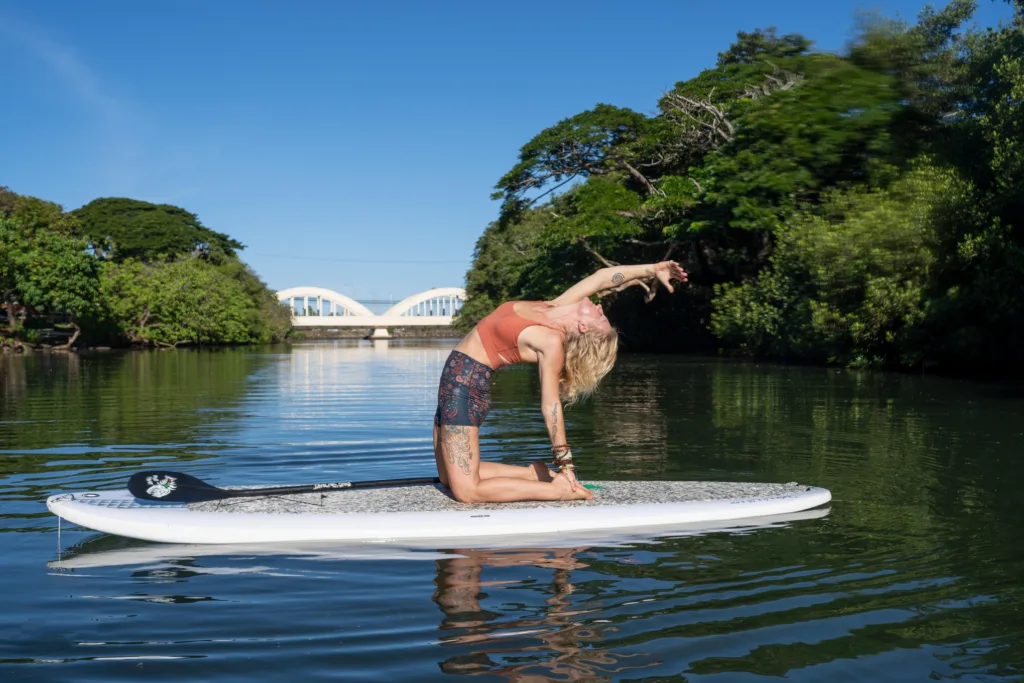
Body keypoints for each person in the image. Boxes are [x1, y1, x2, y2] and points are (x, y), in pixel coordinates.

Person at [432, 261, 688, 503]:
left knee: (466, 491)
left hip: (465, 388)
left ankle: (558, 491)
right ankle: (532, 474)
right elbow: (601, 278)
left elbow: (551, 405)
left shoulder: (551, 341)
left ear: (584, 327)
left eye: (600, 318)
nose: (600, 309)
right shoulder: (554, 306)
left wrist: (565, 464)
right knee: (446, 476)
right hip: (453, 381)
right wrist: (653, 269)